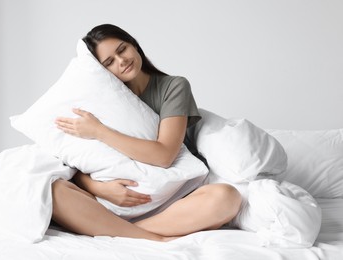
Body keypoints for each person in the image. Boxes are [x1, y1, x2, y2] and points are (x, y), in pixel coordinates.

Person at [52, 24, 242, 242]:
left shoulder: (173, 87)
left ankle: (124, 232)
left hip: (171, 203)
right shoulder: (98, 102)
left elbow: (164, 156)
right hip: (111, 201)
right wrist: (100, 189)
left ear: (134, 44)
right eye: (109, 62)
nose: (121, 61)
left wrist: (100, 131)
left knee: (226, 197)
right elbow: (76, 160)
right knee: (53, 190)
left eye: (122, 49)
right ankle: (148, 236)